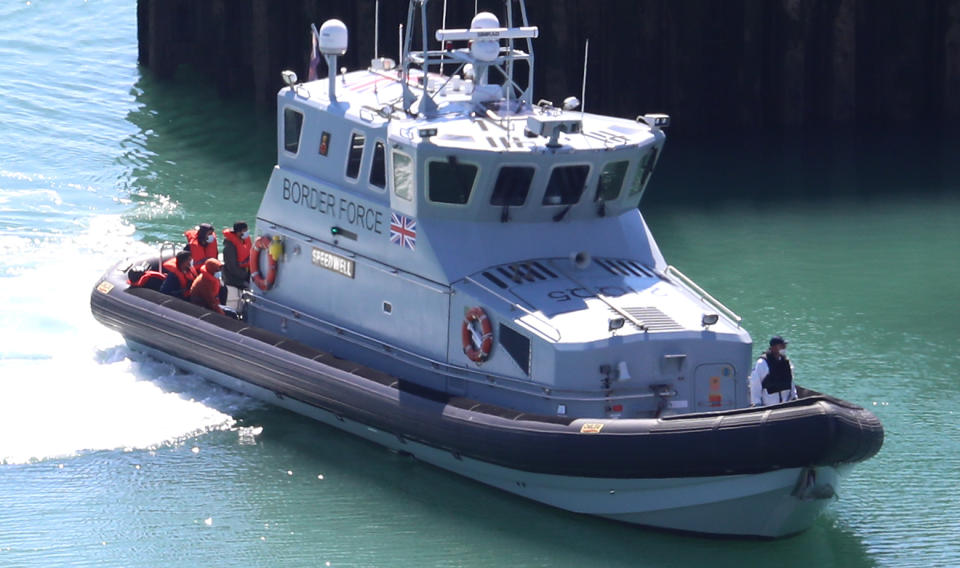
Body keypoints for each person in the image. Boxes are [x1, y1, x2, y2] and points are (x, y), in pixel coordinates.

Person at [749, 336, 798, 406]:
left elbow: (791, 381)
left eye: (785, 346)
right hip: (769, 404)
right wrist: (757, 403)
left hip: (785, 403)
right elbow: (756, 385)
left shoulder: (786, 362)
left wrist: (794, 396)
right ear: (773, 347)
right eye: (781, 346)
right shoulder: (762, 363)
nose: (784, 348)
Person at [222, 221, 252, 288]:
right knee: (248, 286)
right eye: (245, 230)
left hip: (244, 274)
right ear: (238, 232)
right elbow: (232, 267)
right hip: (233, 278)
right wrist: (245, 276)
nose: (247, 232)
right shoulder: (230, 247)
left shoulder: (244, 241)